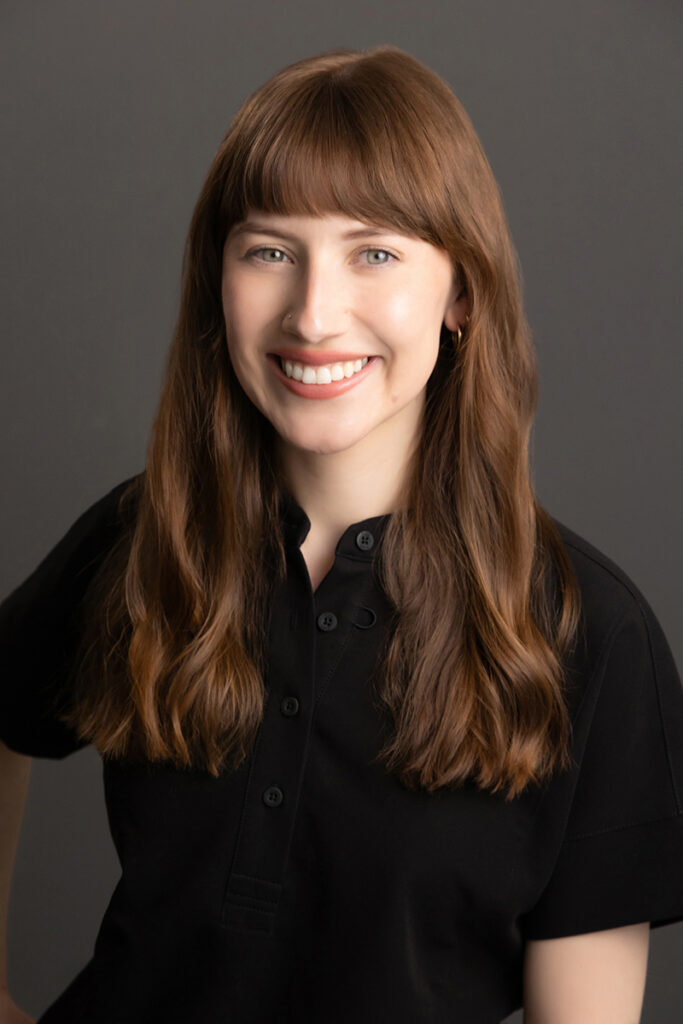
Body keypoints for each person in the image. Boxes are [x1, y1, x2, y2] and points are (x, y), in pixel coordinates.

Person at [1, 44, 682, 1024]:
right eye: (269, 250)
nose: (313, 313)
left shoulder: (590, 633)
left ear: (458, 294)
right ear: (216, 280)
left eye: (375, 252)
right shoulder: (141, 537)